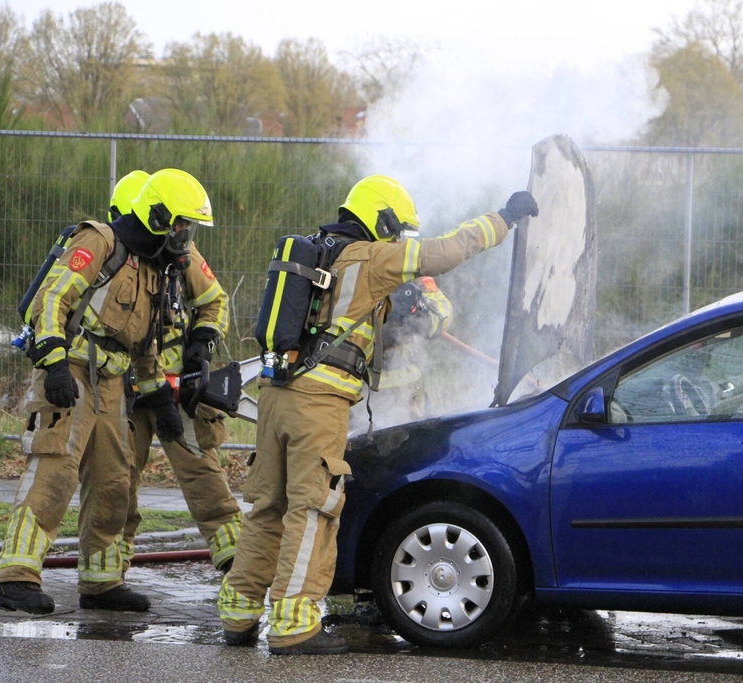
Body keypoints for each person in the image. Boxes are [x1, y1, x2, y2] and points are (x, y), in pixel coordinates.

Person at [217, 175, 538, 655]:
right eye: (395, 229)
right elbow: (447, 251)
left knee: (269, 506)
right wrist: (505, 218)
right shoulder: (372, 257)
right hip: (318, 402)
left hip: (274, 393)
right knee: (314, 509)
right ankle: (293, 627)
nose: (397, 239)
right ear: (382, 220)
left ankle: (238, 617)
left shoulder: (318, 251)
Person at [0, 168, 215, 614]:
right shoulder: (100, 242)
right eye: (180, 224)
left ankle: (101, 581)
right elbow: (52, 299)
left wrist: (156, 397)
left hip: (113, 381)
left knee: (115, 480)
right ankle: (15, 578)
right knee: (54, 471)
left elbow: (143, 343)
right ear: (157, 216)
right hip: (71, 371)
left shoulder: (154, 266)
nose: (185, 235)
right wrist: (53, 363)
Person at [107, 173, 241, 575]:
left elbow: (214, 301)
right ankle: (109, 570)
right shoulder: (111, 256)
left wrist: (202, 341)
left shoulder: (182, 252)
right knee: (117, 478)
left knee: (202, 469)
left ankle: (237, 557)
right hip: (124, 392)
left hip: (175, 385)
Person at [348, 275, 453, 434]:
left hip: (398, 396)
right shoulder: (357, 272)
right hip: (372, 397)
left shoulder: (414, 275)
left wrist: (416, 318)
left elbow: (442, 316)